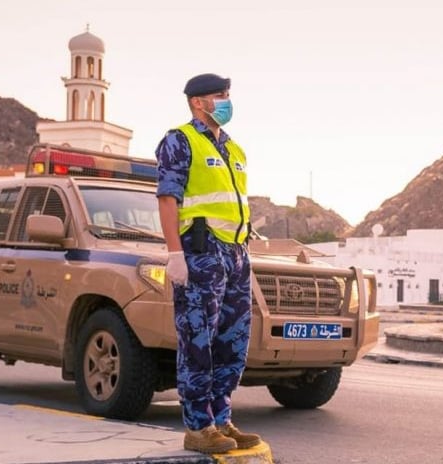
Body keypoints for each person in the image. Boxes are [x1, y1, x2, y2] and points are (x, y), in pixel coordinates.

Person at [155, 73, 261, 454]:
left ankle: (221, 419)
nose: (227, 100)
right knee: (198, 340)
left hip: (235, 254)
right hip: (201, 254)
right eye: (221, 95)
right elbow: (168, 199)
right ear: (198, 102)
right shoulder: (180, 140)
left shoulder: (235, 149)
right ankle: (198, 427)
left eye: (228, 94)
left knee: (232, 341)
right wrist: (175, 253)